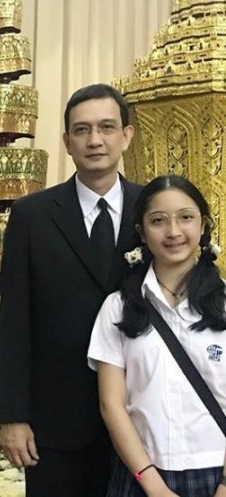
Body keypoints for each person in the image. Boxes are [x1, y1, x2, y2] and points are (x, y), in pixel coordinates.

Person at [0, 83, 142, 496]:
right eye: (82, 130)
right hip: (55, 423)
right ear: (66, 142)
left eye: (107, 127)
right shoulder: (32, 215)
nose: (95, 140)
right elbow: (16, 321)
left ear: (126, 136)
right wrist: (14, 416)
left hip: (141, 416)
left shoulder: (153, 209)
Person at [88, 175, 226, 497]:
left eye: (186, 217)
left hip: (217, 472)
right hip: (143, 475)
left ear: (203, 225)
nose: (174, 232)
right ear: (141, 232)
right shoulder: (118, 307)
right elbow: (112, 405)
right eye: (158, 221)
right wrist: (153, 486)